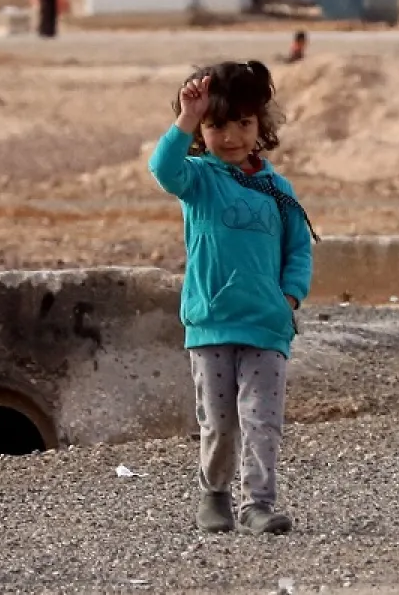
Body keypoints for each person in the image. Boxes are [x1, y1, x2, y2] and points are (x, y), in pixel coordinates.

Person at [147, 60, 318, 536]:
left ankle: (259, 503)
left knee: (262, 421)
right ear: (202, 131)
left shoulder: (278, 191)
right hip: (212, 323)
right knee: (221, 423)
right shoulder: (198, 179)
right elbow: (163, 169)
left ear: (261, 124)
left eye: (243, 123)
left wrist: (289, 298)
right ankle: (215, 494)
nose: (232, 136)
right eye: (217, 125)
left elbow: (297, 251)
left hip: (266, 324)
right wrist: (185, 117)